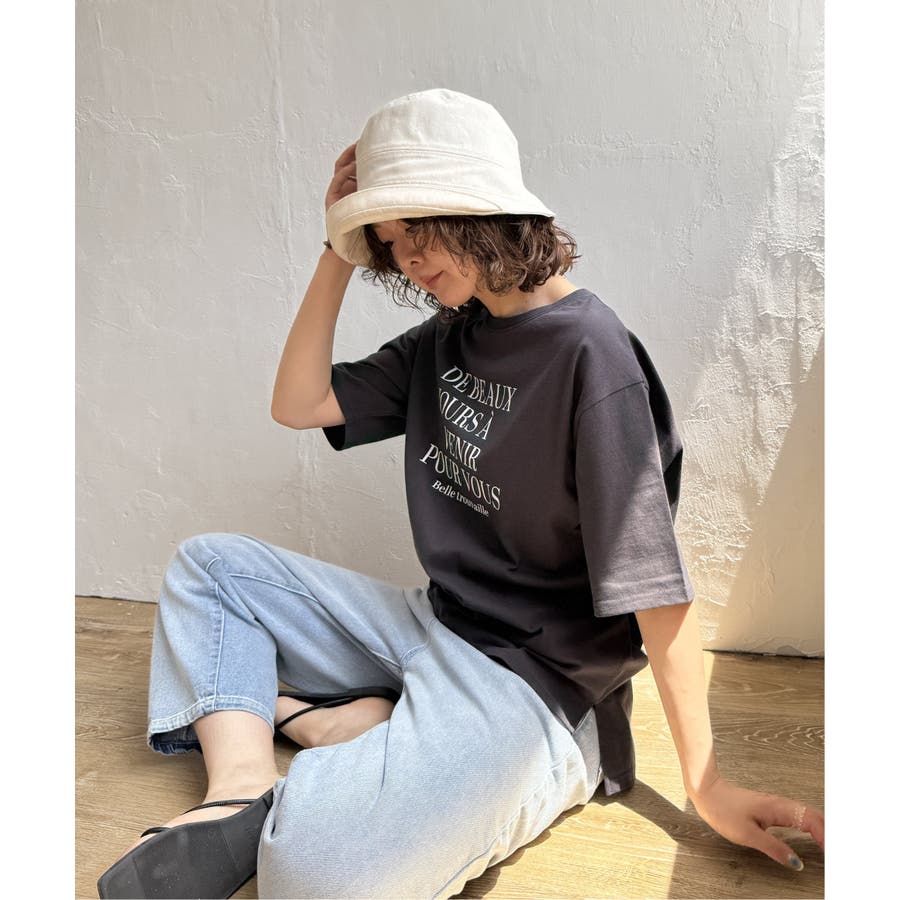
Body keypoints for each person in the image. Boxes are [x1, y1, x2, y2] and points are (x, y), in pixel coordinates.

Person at [97, 89, 824, 899]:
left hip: (536, 681)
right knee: (210, 568)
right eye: (387, 243)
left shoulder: (593, 358)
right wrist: (336, 250)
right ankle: (242, 785)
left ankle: (356, 739)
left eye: (416, 229)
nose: (405, 259)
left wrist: (707, 782)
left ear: (476, 207)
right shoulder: (452, 332)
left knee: (312, 876)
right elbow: (299, 404)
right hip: (435, 620)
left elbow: (657, 595)